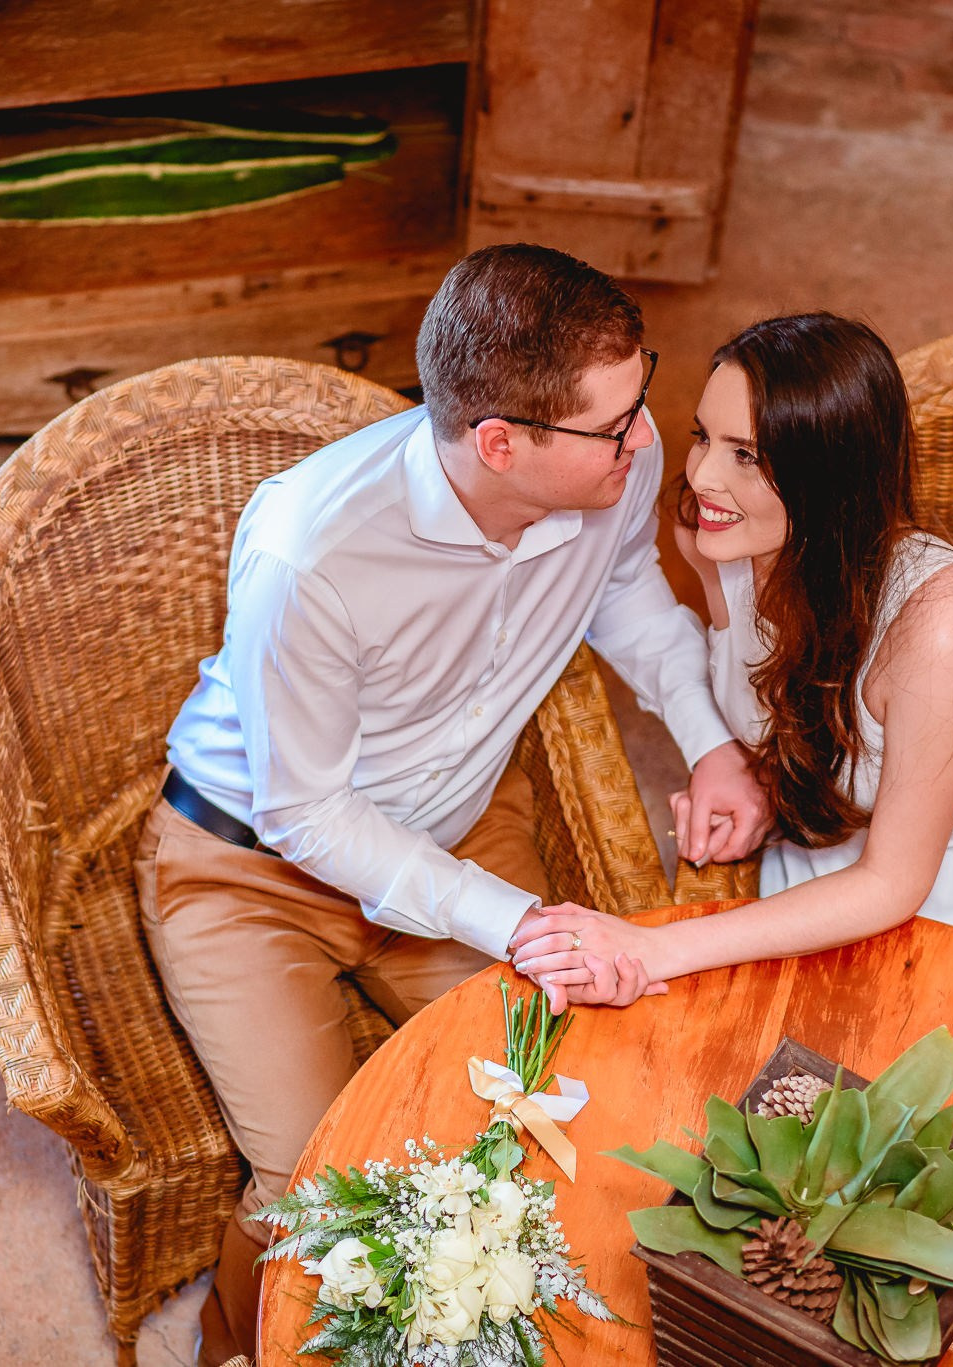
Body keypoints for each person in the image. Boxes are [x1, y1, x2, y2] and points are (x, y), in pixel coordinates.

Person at [137, 244, 768, 1364]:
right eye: (613, 425)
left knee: (558, 1101)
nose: (647, 442)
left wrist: (710, 741)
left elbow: (624, 591)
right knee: (312, 1180)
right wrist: (513, 919)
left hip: (463, 817)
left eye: (639, 398)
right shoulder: (311, 552)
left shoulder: (609, 456)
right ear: (498, 442)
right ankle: (236, 1348)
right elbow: (305, 813)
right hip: (251, 868)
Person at [510, 312, 953, 1083]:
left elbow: (892, 882)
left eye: (747, 456)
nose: (705, 477)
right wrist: (750, 772)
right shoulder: (714, 535)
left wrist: (653, 945)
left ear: (827, 478)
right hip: (837, 837)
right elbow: (769, 694)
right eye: (704, 436)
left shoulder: (943, 627)